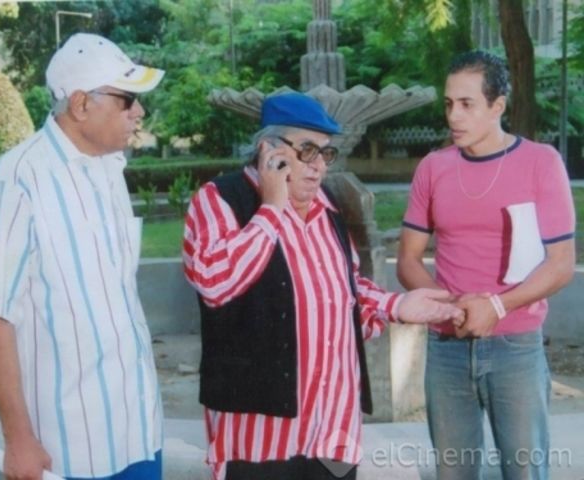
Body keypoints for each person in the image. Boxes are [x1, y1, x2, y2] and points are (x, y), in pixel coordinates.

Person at [182, 92, 464, 480]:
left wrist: (396, 306)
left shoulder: (326, 208)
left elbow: (342, 290)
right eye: (307, 151)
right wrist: (271, 208)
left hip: (334, 432)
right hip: (260, 439)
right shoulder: (219, 200)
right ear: (269, 151)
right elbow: (215, 284)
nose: (318, 166)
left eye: (325, 153)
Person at [0, 33, 166, 480]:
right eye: (127, 99)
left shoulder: (109, 169)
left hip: (138, 427)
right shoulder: (18, 179)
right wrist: (18, 439)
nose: (139, 111)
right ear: (80, 104)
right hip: (72, 447)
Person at [397, 50, 576, 480]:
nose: (453, 116)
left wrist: (495, 306)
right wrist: (454, 307)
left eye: (466, 104)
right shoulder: (433, 168)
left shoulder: (541, 162)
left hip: (516, 346)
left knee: (525, 472)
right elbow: (407, 260)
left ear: (498, 106)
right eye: (448, 103)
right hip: (447, 346)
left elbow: (561, 264)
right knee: (454, 474)